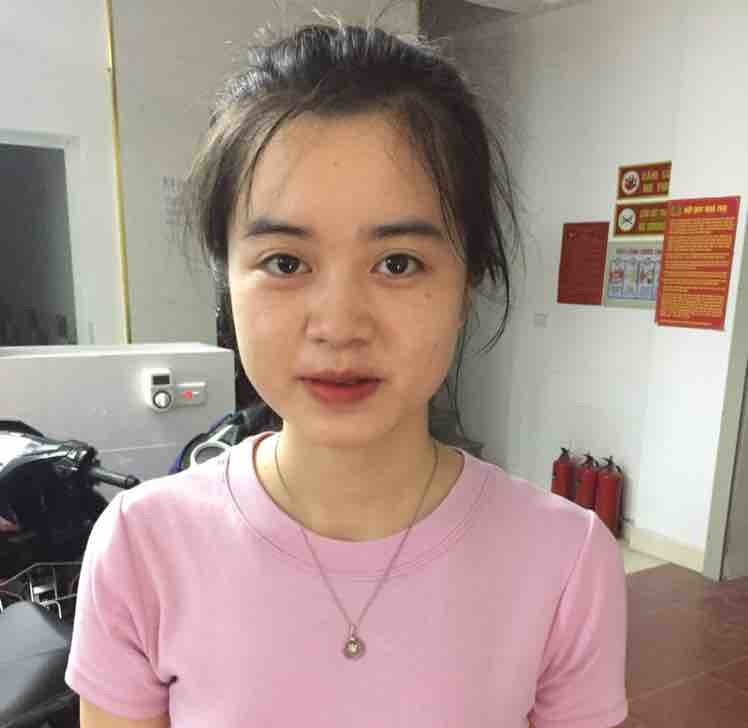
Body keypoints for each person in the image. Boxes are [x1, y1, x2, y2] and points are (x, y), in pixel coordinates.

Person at [65, 19, 628, 728]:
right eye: (285, 262)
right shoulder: (142, 546)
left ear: (469, 280)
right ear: (227, 280)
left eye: (397, 263)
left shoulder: (565, 561)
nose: (338, 325)